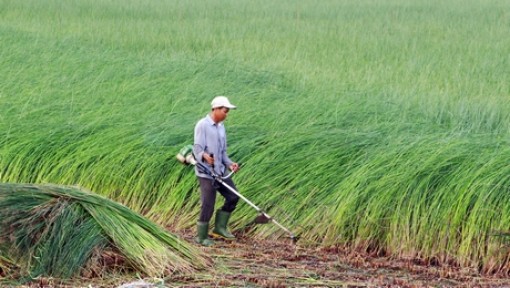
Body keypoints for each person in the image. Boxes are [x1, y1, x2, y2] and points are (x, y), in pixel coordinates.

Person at [192, 96, 240, 246]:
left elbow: (222, 152)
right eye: (225, 111)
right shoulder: (202, 125)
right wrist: (204, 156)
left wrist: (230, 164)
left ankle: (220, 228)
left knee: (233, 196)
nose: (226, 114)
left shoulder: (221, 127)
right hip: (206, 172)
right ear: (216, 109)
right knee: (208, 204)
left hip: (220, 171)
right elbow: (196, 149)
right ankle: (201, 237)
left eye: (227, 112)